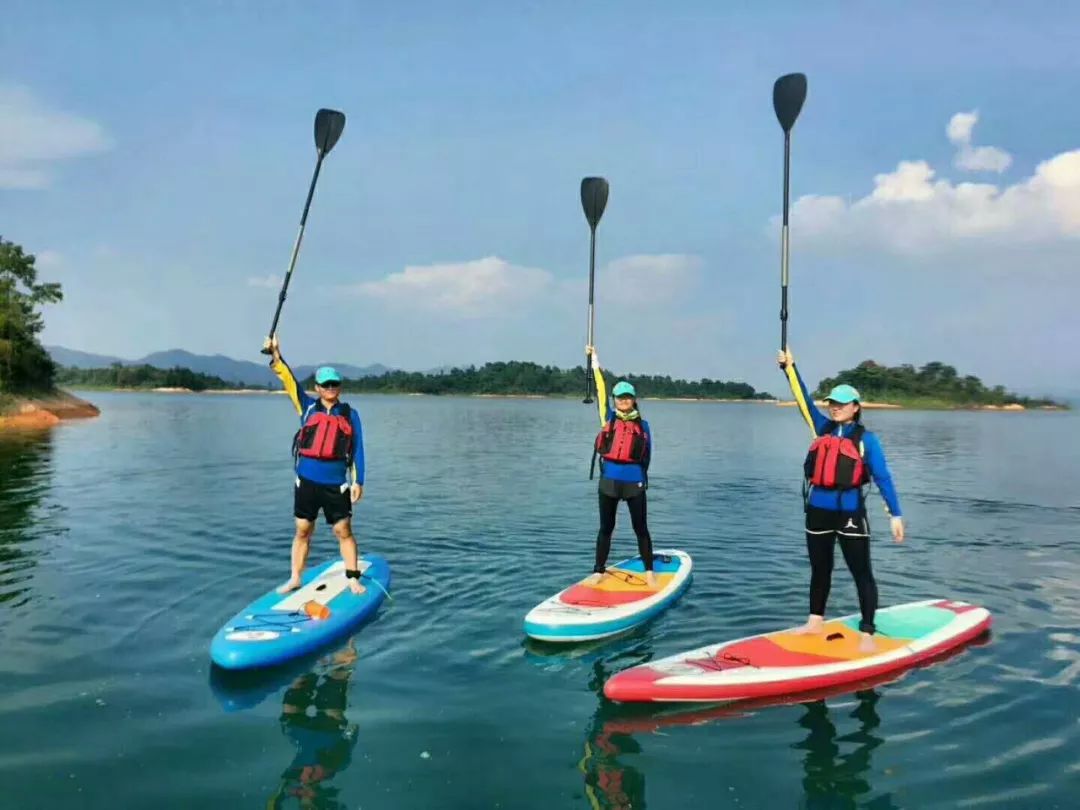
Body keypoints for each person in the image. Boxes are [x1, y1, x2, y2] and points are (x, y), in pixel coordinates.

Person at [778, 347, 904, 653]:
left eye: (841, 404)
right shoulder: (822, 429)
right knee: (819, 569)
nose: (835, 408)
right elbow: (804, 402)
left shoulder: (866, 440)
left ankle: (868, 632)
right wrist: (790, 368)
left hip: (850, 512)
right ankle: (815, 621)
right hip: (817, 511)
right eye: (833, 403)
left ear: (855, 407)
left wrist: (895, 514)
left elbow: (883, 477)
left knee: (861, 572)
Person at [264, 335, 366, 595]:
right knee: (303, 529)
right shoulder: (307, 407)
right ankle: (296, 577)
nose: (331, 388)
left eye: (335, 384)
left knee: (343, 530)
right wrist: (276, 354)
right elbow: (288, 381)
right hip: (307, 480)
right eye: (326, 384)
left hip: (335, 483)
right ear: (318, 388)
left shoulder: (350, 415)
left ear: (339, 387)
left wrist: (359, 481)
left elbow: (358, 450)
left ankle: (353, 577)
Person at [586, 345, 655, 588]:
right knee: (606, 528)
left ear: (633, 400)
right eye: (619, 397)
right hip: (609, 483)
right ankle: (598, 570)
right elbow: (600, 389)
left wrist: (642, 479)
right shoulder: (607, 418)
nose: (623, 400)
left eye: (627, 397)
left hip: (634, 483)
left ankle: (649, 571)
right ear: (615, 400)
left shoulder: (643, 426)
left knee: (641, 528)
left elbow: (647, 457)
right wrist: (594, 361)